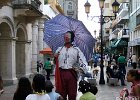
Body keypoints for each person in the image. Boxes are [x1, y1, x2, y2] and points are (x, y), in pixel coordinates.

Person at [54, 31, 88, 100]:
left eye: (68, 36)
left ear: (72, 38)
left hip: (72, 74)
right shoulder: (59, 49)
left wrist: (79, 69)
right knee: (61, 94)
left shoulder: (77, 50)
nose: (66, 37)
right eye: (65, 36)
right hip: (61, 75)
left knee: (72, 94)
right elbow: (55, 62)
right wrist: (55, 57)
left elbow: (83, 62)